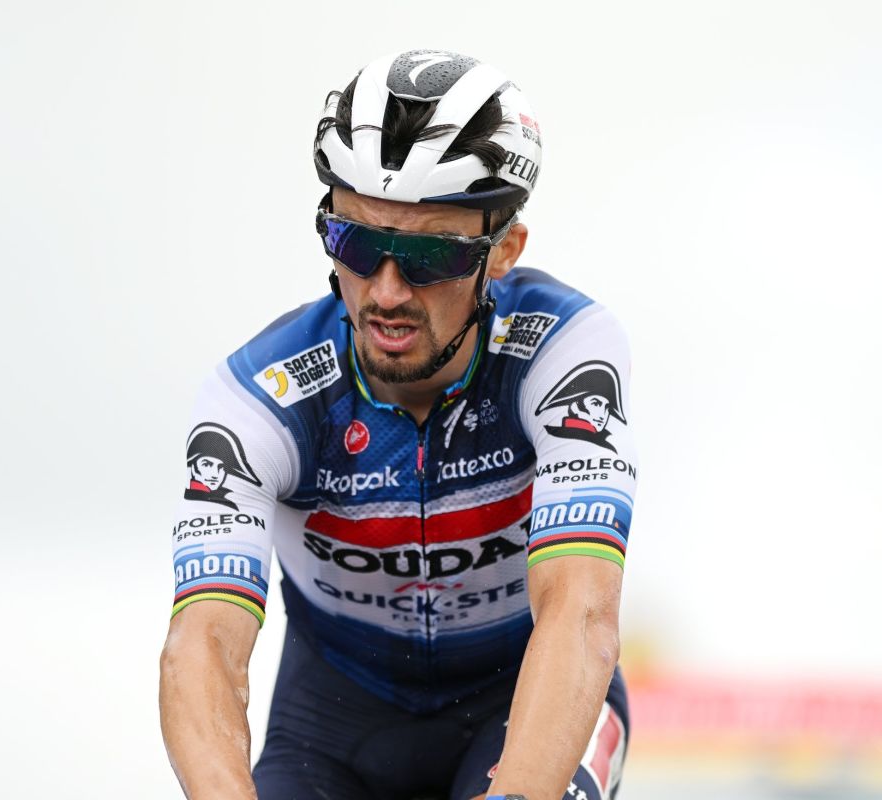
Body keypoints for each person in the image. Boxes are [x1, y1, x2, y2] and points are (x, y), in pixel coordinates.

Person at [159, 49, 638, 800]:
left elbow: (580, 610)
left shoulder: (563, 349)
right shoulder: (255, 399)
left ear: (504, 252)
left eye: (427, 255)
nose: (386, 292)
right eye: (357, 244)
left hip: (521, 697)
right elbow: (202, 646)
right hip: (333, 728)